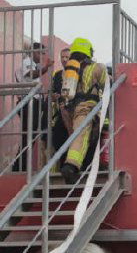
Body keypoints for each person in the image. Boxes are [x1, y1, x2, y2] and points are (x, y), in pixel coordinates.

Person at [60, 37, 108, 184]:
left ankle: (81, 166)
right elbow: (107, 87)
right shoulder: (97, 68)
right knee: (82, 136)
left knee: (80, 136)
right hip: (89, 107)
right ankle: (71, 166)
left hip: (72, 109)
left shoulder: (68, 71)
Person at [13, 42, 53, 171]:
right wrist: (45, 68)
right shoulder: (27, 62)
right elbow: (30, 75)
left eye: (42, 53)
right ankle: (19, 167)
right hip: (28, 103)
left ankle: (21, 166)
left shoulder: (35, 64)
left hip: (34, 102)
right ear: (31, 52)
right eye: (38, 53)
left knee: (32, 135)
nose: (41, 56)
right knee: (28, 136)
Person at [48, 44, 71, 162]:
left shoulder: (78, 73)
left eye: (67, 57)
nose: (64, 60)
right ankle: (63, 164)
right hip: (60, 113)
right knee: (57, 139)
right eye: (62, 57)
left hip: (74, 112)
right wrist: (53, 96)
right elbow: (51, 93)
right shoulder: (57, 75)